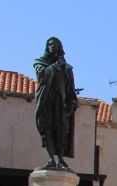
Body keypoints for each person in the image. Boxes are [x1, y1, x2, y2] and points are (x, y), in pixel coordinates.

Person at [33, 37, 77, 170]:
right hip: (45, 101)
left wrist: (73, 101)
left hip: (60, 102)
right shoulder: (40, 62)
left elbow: (70, 87)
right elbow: (41, 75)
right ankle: (52, 159)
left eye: (55, 44)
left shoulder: (67, 68)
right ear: (47, 47)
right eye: (50, 44)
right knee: (46, 128)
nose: (52, 46)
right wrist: (54, 67)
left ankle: (61, 159)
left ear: (59, 46)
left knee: (61, 130)